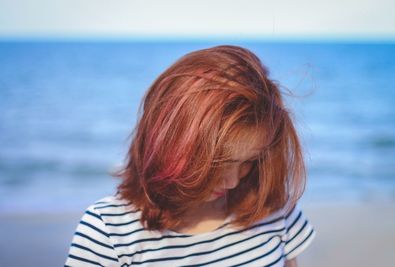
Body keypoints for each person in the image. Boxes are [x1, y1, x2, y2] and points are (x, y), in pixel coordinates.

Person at [65, 45, 315, 267]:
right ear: (168, 143)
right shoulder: (110, 231)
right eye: (218, 164)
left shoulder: (271, 206)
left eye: (248, 161)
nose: (233, 182)